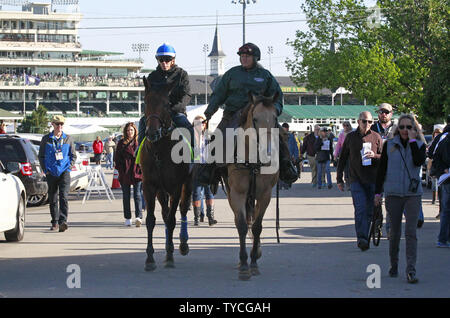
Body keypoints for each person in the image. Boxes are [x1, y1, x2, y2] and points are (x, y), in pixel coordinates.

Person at [199, 42, 298, 186]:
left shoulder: (265, 76)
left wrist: (274, 111)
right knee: (217, 137)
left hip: (261, 115)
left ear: (256, 58)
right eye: (242, 56)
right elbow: (218, 95)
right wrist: (208, 114)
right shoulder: (232, 74)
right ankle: (209, 170)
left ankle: (286, 166)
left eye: (247, 56)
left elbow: (277, 96)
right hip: (232, 115)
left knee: (281, 136)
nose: (244, 59)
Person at [374, 114, 427, 283]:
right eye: (402, 127)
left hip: (412, 195)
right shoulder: (390, 145)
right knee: (394, 232)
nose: (405, 130)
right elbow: (381, 171)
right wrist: (377, 193)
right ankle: (394, 264)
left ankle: (411, 270)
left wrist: (412, 141)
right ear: (397, 129)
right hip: (393, 194)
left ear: (414, 129)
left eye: (409, 127)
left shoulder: (419, 145)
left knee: (411, 233)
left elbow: (419, 162)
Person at [337, 111, 383, 251]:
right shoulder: (351, 137)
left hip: (372, 180)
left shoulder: (376, 137)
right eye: (364, 121)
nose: (367, 124)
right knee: (360, 208)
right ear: (358, 121)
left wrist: (374, 155)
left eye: (370, 122)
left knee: (369, 210)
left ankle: (368, 231)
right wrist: (339, 179)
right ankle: (362, 238)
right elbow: (343, 158)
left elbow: (384, 158)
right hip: (356, 179)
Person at [138, 43, 193, 147]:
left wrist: (174, 109)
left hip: (176, 112)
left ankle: (195, 155)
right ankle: (138, 152)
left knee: (188, 127)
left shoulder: (182, 74)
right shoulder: (152, 76)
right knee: (142, 123)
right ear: (157, 60)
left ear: (173, 60)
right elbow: (149, 98)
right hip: (156, 113)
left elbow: (187, 95)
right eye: (161, 59)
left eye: (167, 59)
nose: (164, 63)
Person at [38, 115, 77, 232]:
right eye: (57, 124)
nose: (60, 126)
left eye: (61, 124)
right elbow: (41, 156)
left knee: (64, 197)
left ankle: (63, 221)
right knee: (53, 197)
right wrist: (46, 170)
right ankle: (54, 222)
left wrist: (69, 168)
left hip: (64, 171)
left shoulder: (68, 139)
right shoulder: (46, 139)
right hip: (51, 172)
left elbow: (73, 155)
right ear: (53, 125)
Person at [114, 122, 143, 227]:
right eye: (128, 130)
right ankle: (127, 217)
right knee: (126, 196)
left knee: (137, 195)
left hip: (137, 172)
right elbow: (117, 158)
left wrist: (141, 168)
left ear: (135, 131)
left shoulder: (139, 142)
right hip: (125, 172)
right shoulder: (121, 143)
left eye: (131, 130)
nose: (129, 132)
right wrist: (121, 169)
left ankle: (138, 217)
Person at [192, 115, 217, 226]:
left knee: (209, 193)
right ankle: (197, 218)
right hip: (196, 167)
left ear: (205, 125)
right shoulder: (191, 137)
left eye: (202, 123)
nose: (200, 125)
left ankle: (210, 217)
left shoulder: (209, 136)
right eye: (197, 123)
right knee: (197, 193)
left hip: (208, 167)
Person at [430, 124, 450, 248]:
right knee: (446, 209)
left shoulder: (444, 138)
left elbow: (433, 155)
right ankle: (443, 238)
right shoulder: (445, 139)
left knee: (446, 209)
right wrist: (444, 169)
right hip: (448, 179)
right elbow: (434, 155)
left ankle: (443, 238)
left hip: (446, 179)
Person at [280, 123, 299, 189]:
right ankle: (280, 184)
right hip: (281, 156)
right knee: (281, 170)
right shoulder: (279, 135)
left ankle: (287, 183)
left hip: (289, 156)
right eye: (284, 129)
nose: (286, 130)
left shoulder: (291, 136)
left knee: (289, 170)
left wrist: (296, 156)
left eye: (287, 128)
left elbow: (295, 147)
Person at [334, 121, 353, 190]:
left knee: (351, 168)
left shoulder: (353, 133)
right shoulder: (341, 134)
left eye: (347, 125)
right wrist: (335, 155)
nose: (346, 127)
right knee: (345, 169)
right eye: (344, 125)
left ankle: (351, 183)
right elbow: (338, 145)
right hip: (344, 152)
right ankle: (347, 183)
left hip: (351, 152)